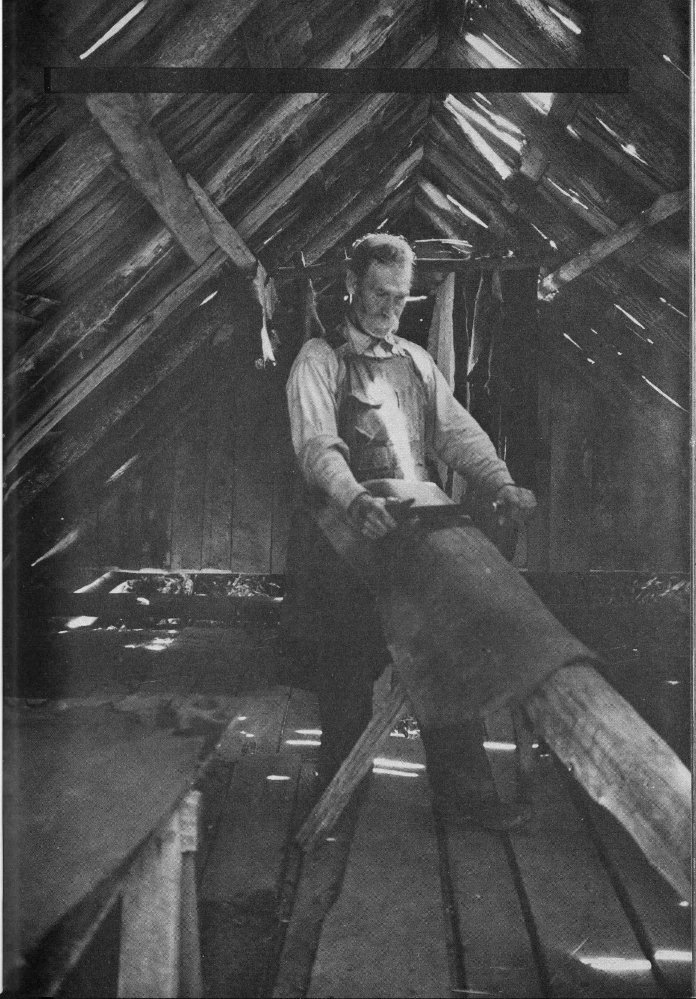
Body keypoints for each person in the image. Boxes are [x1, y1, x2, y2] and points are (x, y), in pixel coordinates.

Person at [285, 233, 537, 830]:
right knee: (347, 676)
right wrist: (352, 499)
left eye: (400, 298)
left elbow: (457, 432)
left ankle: (467, 801)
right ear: (352, 285)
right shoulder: (318, 361)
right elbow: (317, 448)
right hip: (344, 543)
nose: (388, 309)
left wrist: (500, 482)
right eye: (378, 293)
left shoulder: (416, 362)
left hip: (414, 538)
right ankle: (341, 804)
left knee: (446, 659)